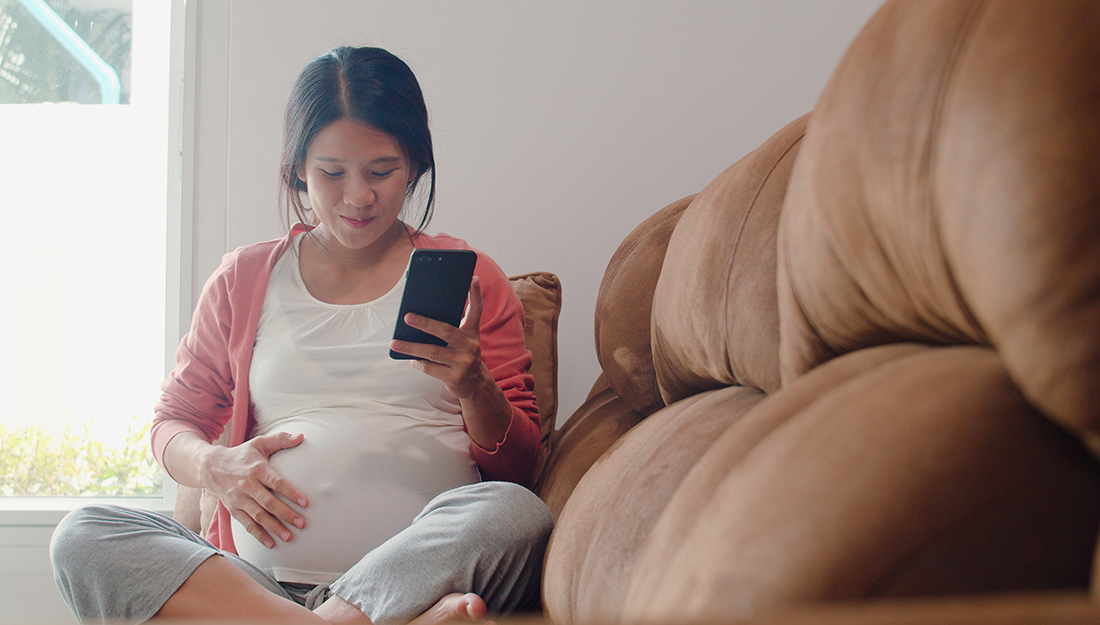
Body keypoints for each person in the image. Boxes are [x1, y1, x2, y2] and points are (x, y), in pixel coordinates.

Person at [50, 46, 553, 625]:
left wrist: (476, 388)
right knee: (82, 534)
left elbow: (518, 467)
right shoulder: (244, 278)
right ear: (297, 168)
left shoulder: (472, 279)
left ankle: (349, 613)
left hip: (415, 569)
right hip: (255, 584)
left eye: (382, 171)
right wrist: (215, 466)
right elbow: (173, 423)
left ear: (414, 165)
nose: (358, 196)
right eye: (331, 173)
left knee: (515, 513)